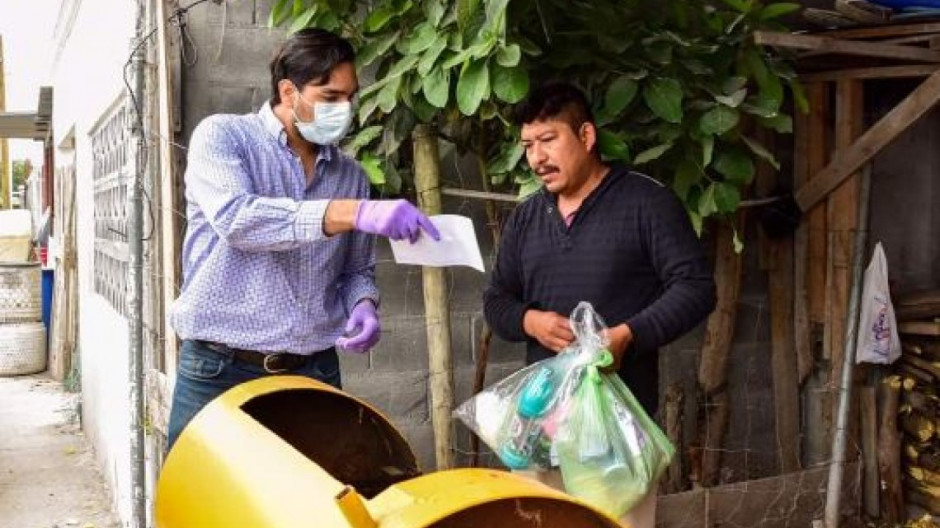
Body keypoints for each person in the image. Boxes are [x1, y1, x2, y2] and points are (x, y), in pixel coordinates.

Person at [166, 28, 439, 451]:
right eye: (330, 97)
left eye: (350, 97)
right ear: (289, 91)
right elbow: (237, 220)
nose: (344, 109)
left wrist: (363, 304)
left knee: (311, 508)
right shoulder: (223, 137)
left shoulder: (350, 175)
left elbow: (356, 270)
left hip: (314, 370)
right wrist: (352, 212)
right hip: (220, 369)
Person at [483, 82, 717, 527]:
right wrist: (530, 321)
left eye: (549, 140)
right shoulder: (528, 217)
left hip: (617, 432)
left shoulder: (646, 203)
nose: (536, 158)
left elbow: (696, 287)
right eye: (528, 146)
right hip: (540, 423)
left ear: (586, 136)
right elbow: (496, 302)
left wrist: (628, 335)